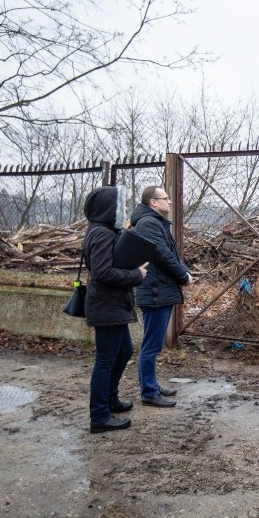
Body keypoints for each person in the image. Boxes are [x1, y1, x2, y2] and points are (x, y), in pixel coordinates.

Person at [83, 186, 148, 434]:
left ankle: (110, 399)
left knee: (123, 352)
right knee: (106, 359)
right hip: (106, 305)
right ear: (107, 208)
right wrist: (136, 274)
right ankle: (99, 416)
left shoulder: (102, 231)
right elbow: (102, 273)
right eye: (118, 205)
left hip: (112, 304)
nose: (122, 210)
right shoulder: (102, 234)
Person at [130, 186, 193, 408]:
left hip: (160, 288)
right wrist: (182, 274)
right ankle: (148, 392)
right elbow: (162, 254)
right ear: (153, 203)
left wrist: (183, 270)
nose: (169, 201)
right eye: (165, 198)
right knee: (152, 344)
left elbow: (169, 253)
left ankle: (152, 385)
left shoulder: (154, 222)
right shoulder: (149, 223)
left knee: (153, 343)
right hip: (155, 290)